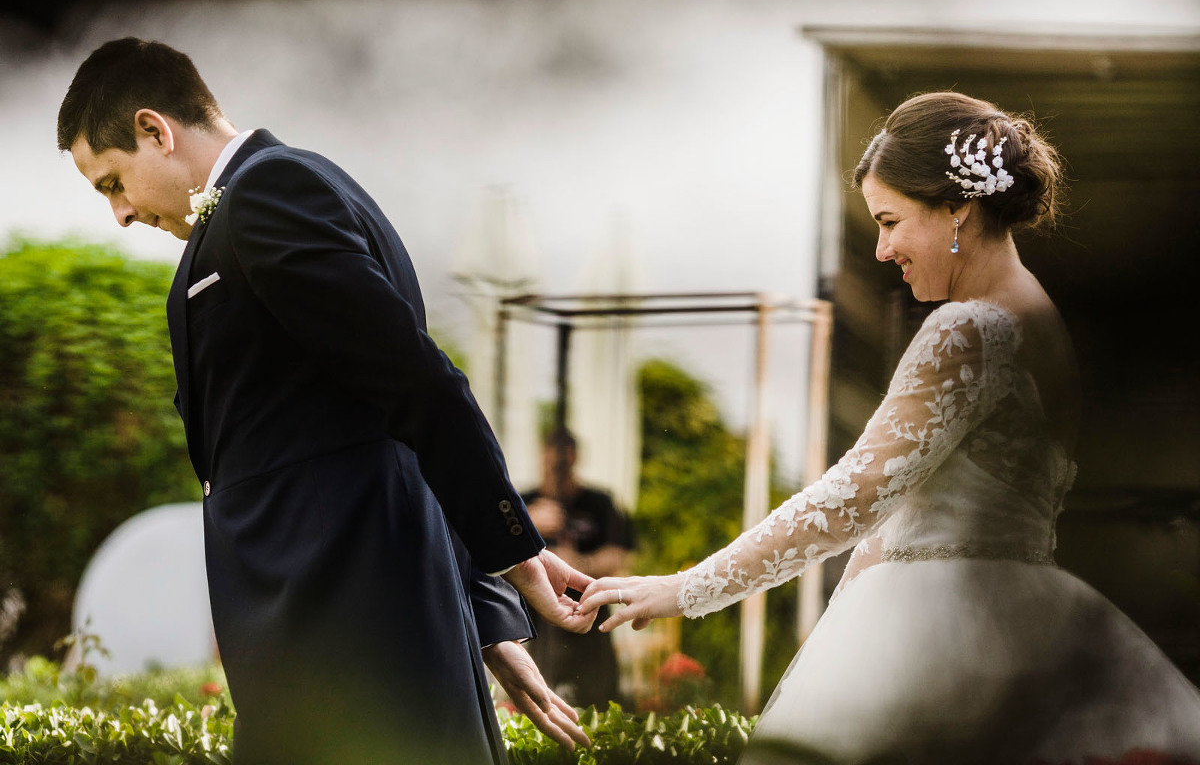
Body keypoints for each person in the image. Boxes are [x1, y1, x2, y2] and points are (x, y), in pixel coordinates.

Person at [577, 92, 1200, 764]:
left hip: (944, 632)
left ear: (957, 207)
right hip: (1028, 613)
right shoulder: (1045, 324)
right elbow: (905, 506)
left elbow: (852, 495)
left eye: (890, 221)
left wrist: (683, 589)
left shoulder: (971, 327)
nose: (880, 250)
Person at [58, 38, 596, 765]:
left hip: (348, 624)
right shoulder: (261, 203)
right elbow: (384, 406)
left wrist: (515, 557)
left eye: (112, 183)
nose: (118, 214)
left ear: (156, 130)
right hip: (321, 625)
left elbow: (414, 383)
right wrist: (486, 617)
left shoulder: (273, 192)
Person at [521, 427, 635, 708]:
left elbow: (620, 555)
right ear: (541, 455)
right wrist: (526, 524)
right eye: (552, 454)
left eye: (564, 455)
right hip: (536, 622)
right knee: (535, 697)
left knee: (598, 699)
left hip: (590, 617)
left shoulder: (599, 503)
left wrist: (576, 564)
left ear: (575, 457)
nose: (557, 463)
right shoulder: (523, 502)